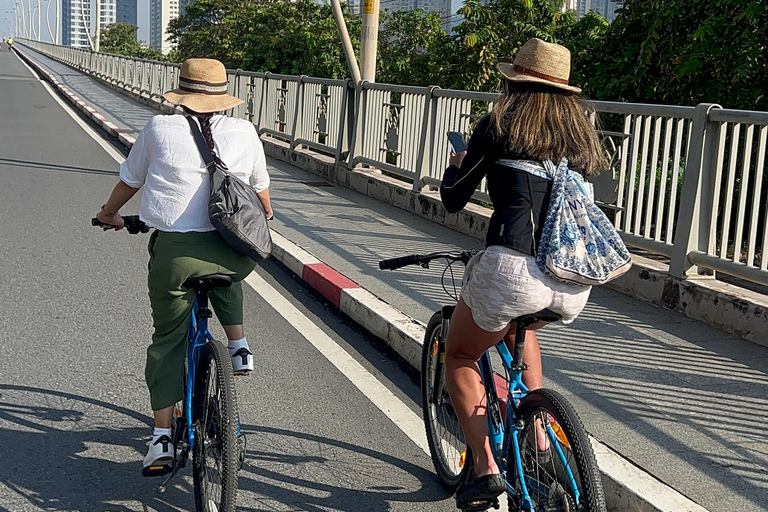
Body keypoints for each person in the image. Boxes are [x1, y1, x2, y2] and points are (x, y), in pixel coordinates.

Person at [440, 38, 607, 507]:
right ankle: (536, 435)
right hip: (572, 279)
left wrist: (455, 168)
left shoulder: (498, 125)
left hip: (511, 269)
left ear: (514, 81)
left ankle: (484, 467)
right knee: (523, 327)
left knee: (459, 355)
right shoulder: (580, 136)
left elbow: (454, 198)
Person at [95, 58, 273, 474]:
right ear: (224, 98)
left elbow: (130, 181)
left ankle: (160, 439)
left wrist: (108, 214)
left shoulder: (158, 129)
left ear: (181, 94)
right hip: (235, 254)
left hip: (175, 256)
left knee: (167, 342)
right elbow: (264, 201)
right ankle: (238, 345)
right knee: (227, 267)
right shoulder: (245, 132)